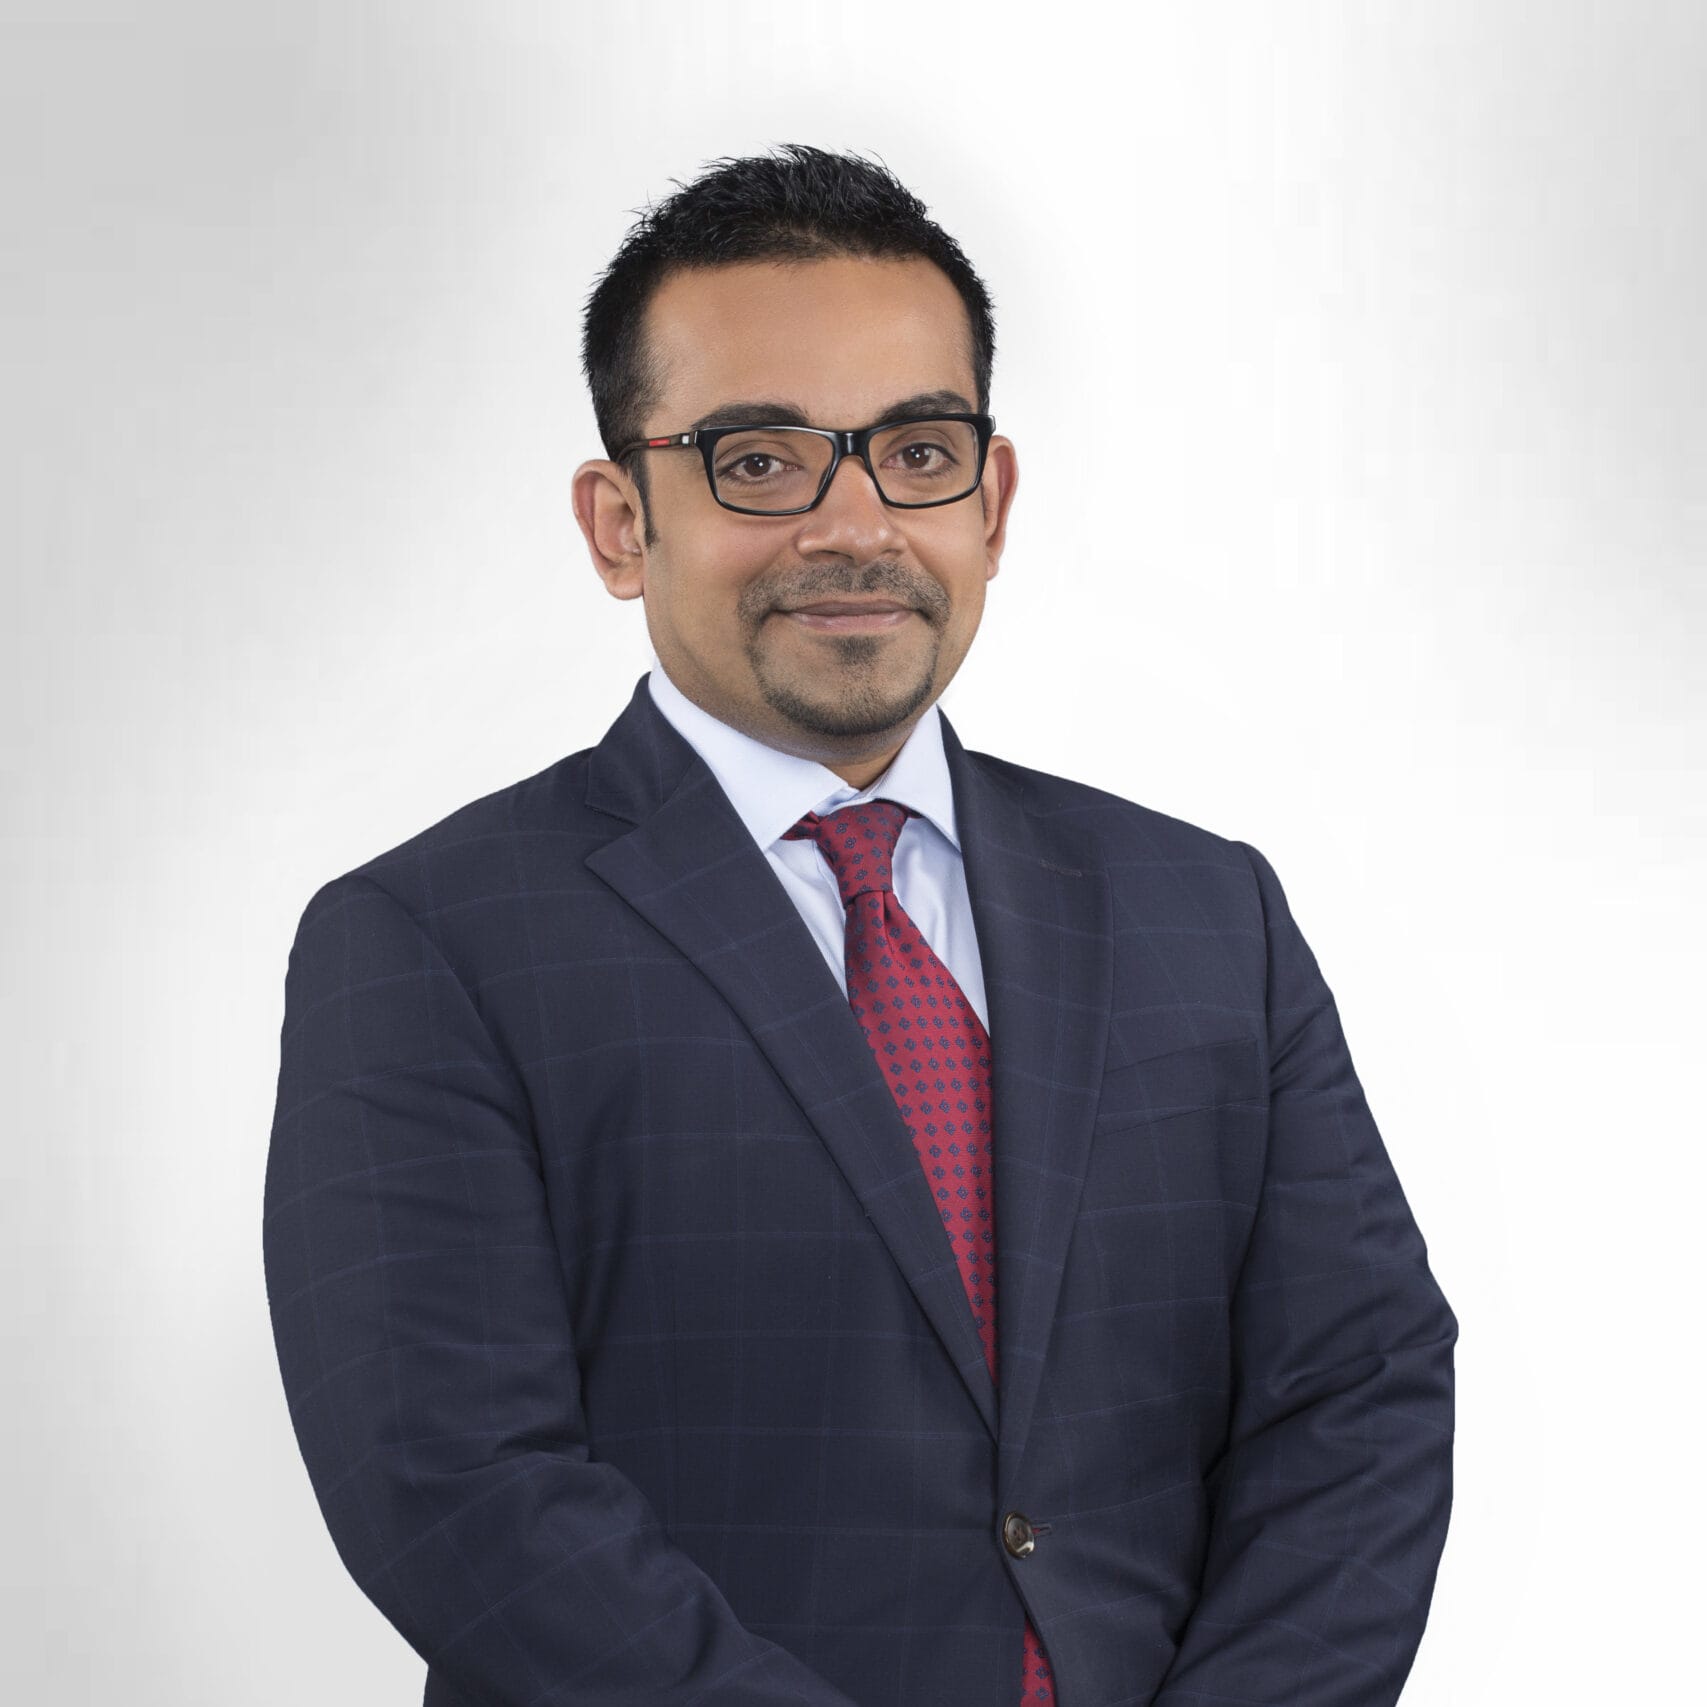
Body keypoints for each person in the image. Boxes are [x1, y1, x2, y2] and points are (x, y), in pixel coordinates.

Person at [262, 143, 1456, 1707]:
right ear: (619, 523)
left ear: (992, 503)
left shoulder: (1203, 911)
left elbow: (1358, 1389)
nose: (854, 523)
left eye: (917, 450)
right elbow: (457, 1485)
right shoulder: (433, 942)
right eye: (759, 461)